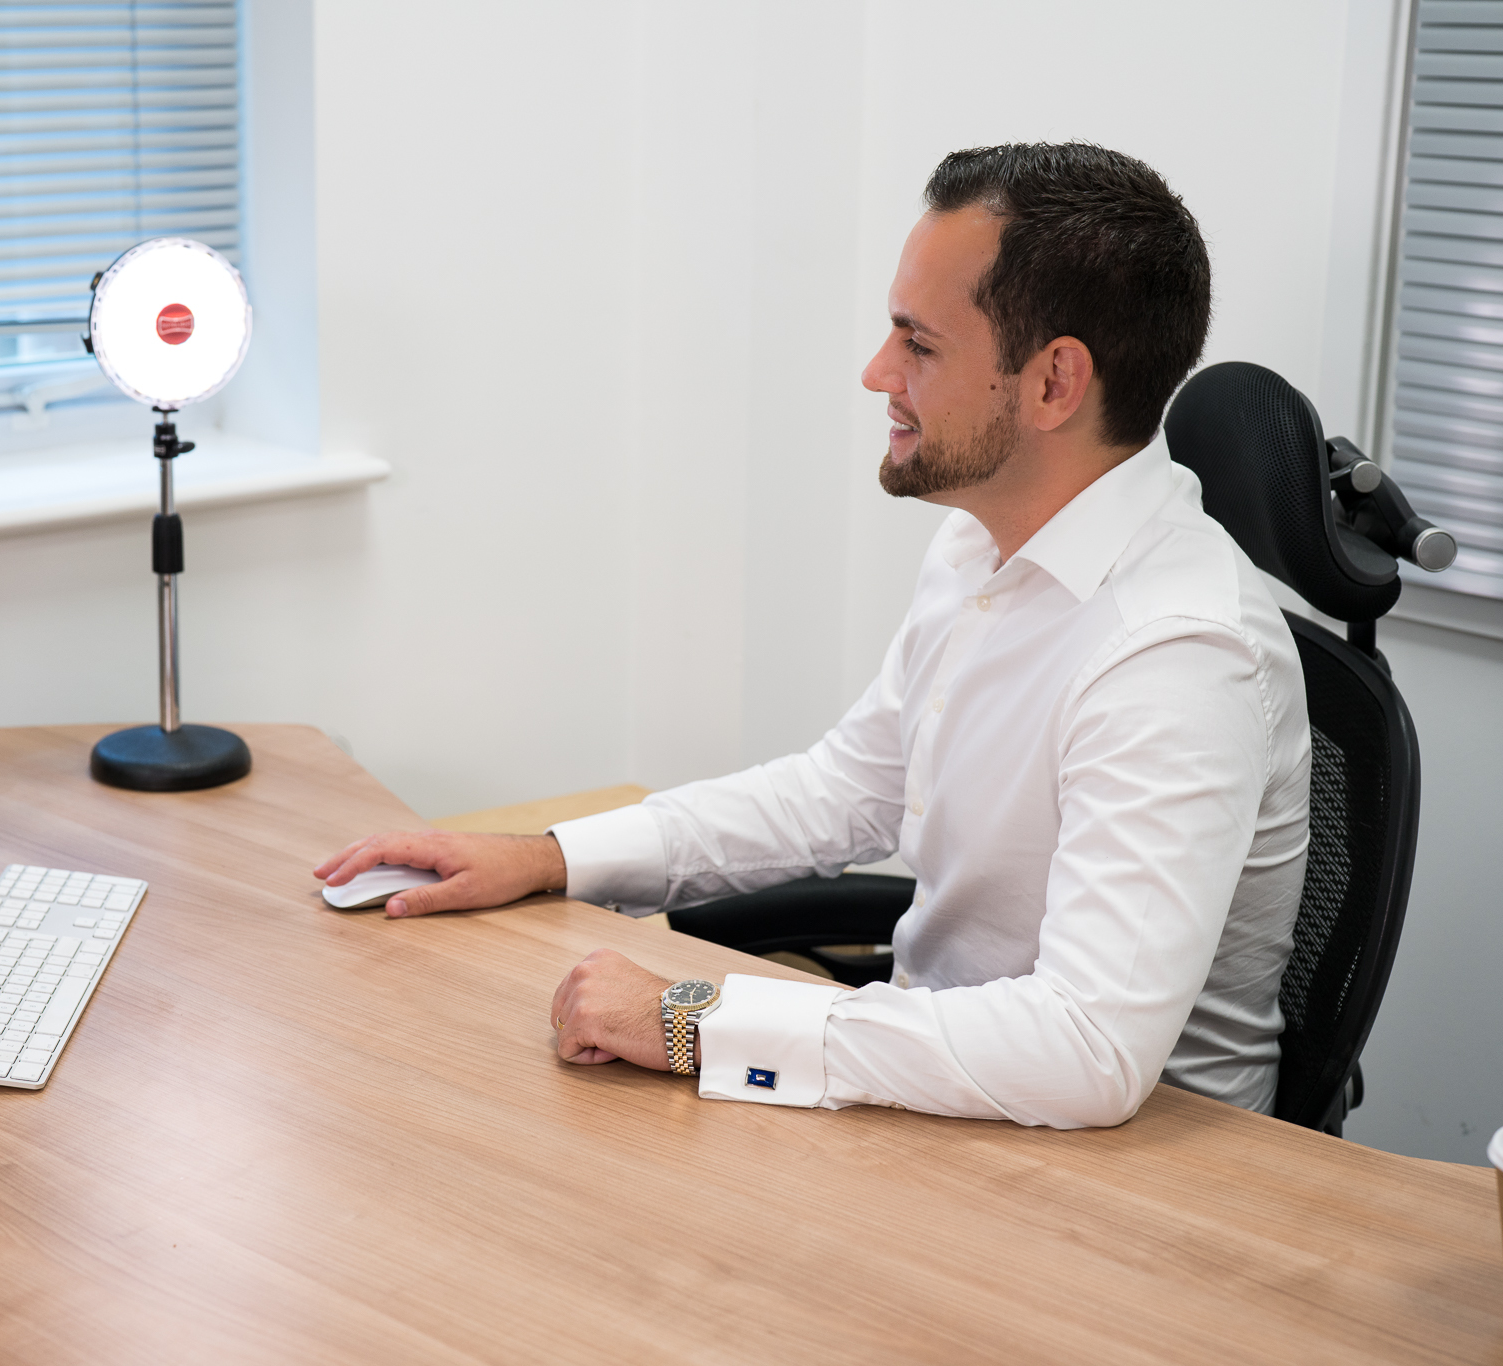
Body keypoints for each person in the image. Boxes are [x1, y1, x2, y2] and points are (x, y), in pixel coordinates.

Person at [315, 143, 1312, 1131]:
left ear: (1053, 383)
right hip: (944, 1088)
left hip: (1140, 1188)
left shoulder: (1177, 654)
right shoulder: (982, 544)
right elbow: (848, 788)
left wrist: (691, 1020)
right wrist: (545, 857)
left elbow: (1083, 1052)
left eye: (917, 345)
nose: (877, 372)